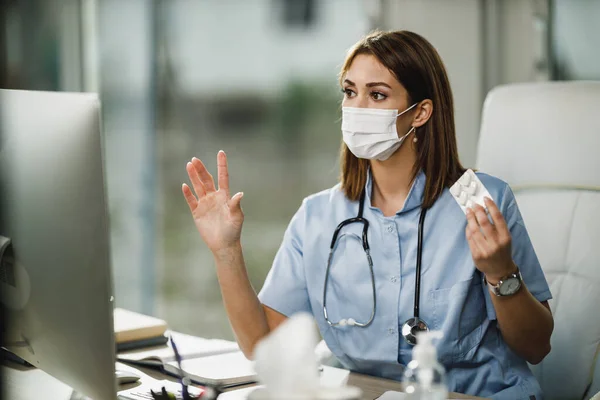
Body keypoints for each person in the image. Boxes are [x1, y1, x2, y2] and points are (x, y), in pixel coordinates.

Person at [181, 30, 553, 399]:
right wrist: (226, 251)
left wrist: (501, 273)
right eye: (349, 91)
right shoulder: (318, 216)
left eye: (377, 95)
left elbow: (536, 347)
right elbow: (260, 345)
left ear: (420, 113)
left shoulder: (477, 200)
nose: (357, 107)